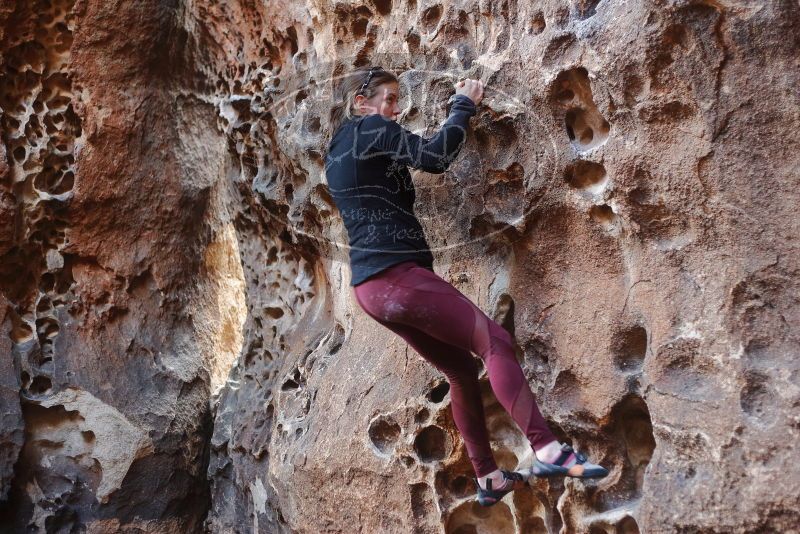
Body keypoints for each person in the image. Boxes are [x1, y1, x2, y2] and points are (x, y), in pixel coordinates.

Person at [324, 66, 608, 508]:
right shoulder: (371, 126)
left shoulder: (338, 150)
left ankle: (489, 477)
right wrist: (464, 105)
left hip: (369, 292)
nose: (395, 109)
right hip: (397, 276)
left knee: (459, 370)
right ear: (361, 102)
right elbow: (434, 158)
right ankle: (549, 449)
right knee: (493, 340)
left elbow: (390, 174)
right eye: (389, 99)